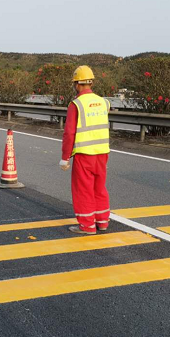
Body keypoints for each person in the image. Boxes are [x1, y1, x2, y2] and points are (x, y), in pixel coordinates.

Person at [60, 66, 111, 235]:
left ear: (76, 84)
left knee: (83, 190)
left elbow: (69, 133)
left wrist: (65, 157)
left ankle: (87, 225)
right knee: (99, 188)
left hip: (84, 154)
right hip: (102, 153)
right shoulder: (104, 102)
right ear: (91, 82)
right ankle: (102, 222)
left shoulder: (76, 104)